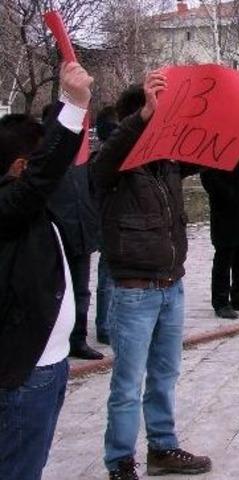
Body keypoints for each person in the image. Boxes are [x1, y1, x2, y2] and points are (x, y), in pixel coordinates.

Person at [93, 73, 212, 479]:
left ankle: (162, 447)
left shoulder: (167, 163)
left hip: (170, 286)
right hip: (134, 293)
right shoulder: (115, 167)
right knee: (127, 384)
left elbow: (208, 148)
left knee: (164, 375)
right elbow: (107, 159)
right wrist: (144, 116)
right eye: (159, 116)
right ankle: (120, 461)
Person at [0, 62, 91, 480]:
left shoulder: (27, 209)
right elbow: (43, 174)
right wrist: (75, 106)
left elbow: (47, 166)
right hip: (24, 373)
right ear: (20, 168)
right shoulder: (8, 209)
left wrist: (67, 102)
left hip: (49, 366)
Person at [45, 104, 103, 361]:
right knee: (54, 292)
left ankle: (78, 339)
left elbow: (92, 194)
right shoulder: (44, 163)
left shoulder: (82, 162)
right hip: (55, 240)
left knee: (81, 291)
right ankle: (50, 342)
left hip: (82, 235)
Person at [200, 151, 239, 320]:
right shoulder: (214, 147)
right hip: (227, 211)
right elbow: (209, 178)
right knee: (225, 256)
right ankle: (220, 302)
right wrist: (228, 195)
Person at [92, 107, 119, 346]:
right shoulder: (103, 159)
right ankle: (105, 325)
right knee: (109, 278)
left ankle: (109, 323)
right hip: (110, 223)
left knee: (112, 277)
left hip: (114, 222)